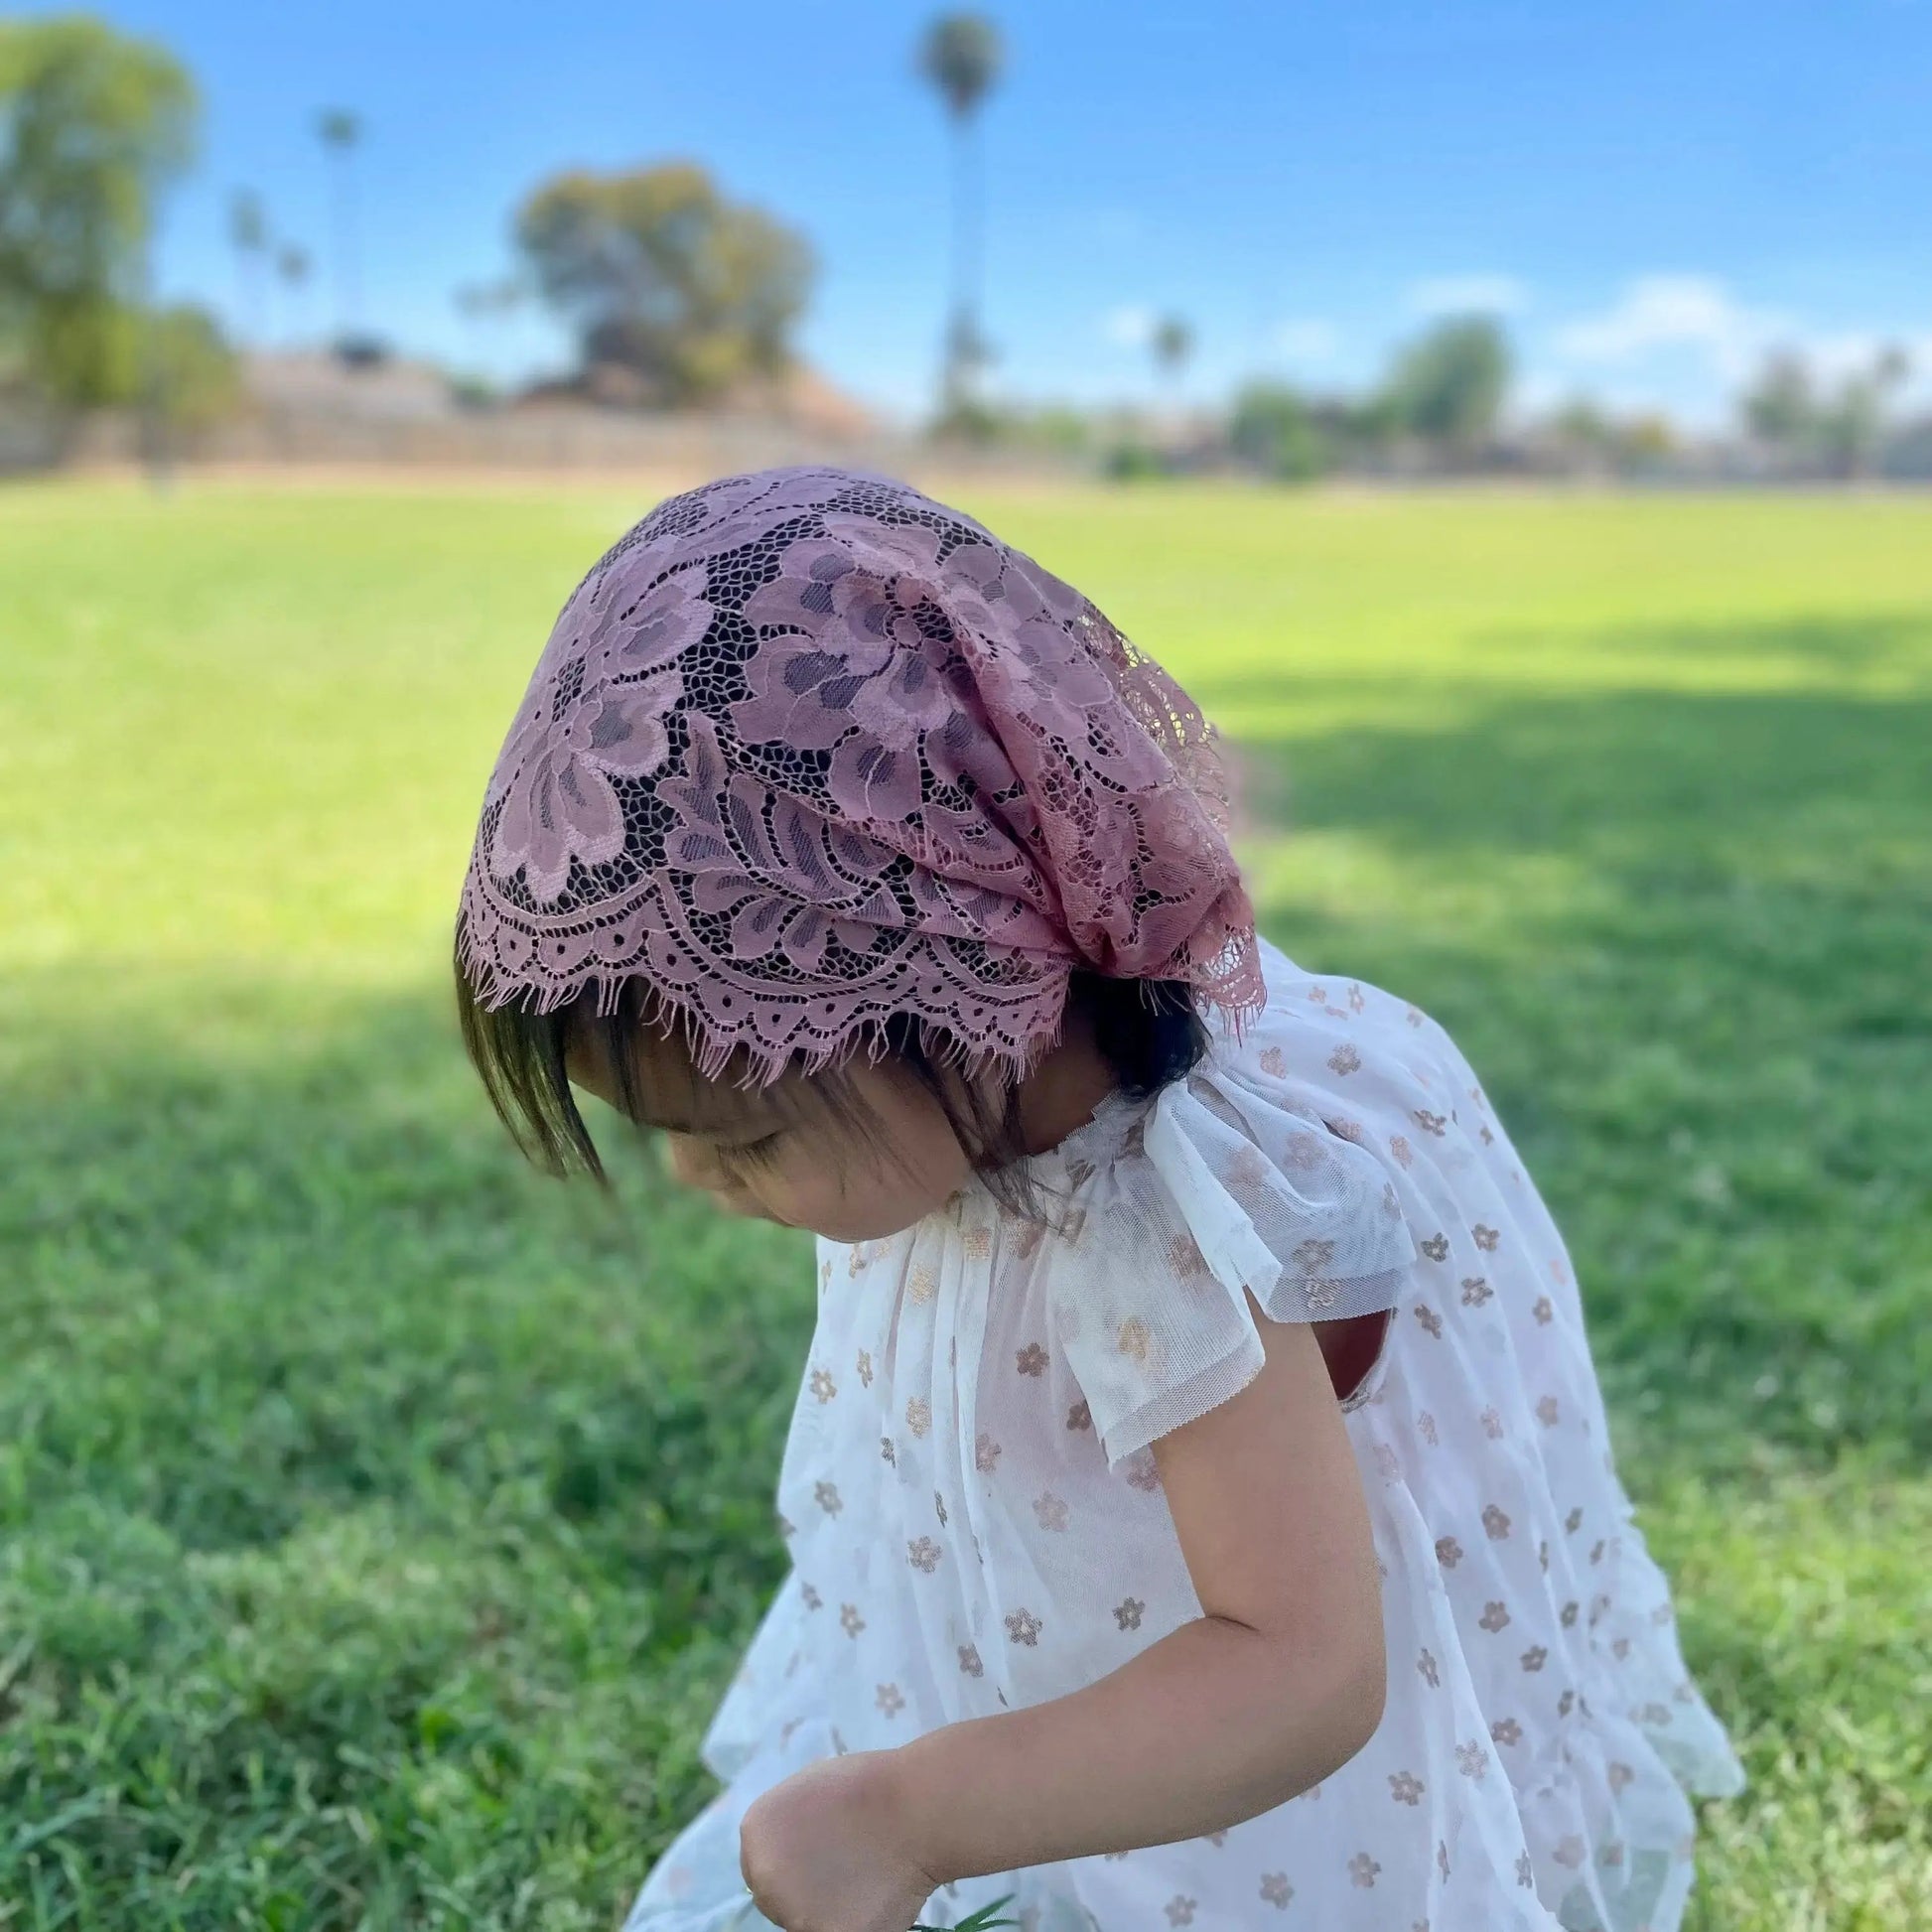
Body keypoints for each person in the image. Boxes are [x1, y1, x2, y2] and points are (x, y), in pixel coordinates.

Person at [453, 466, 1744, 1932]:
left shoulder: (1162, 1227)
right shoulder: (980, 1110)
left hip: (1253, 1786)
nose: (700, 1181)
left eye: (744, 1136)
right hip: (1075, 1649)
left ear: (948, 990)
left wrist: (907, 1815)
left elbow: (1300, 1661)